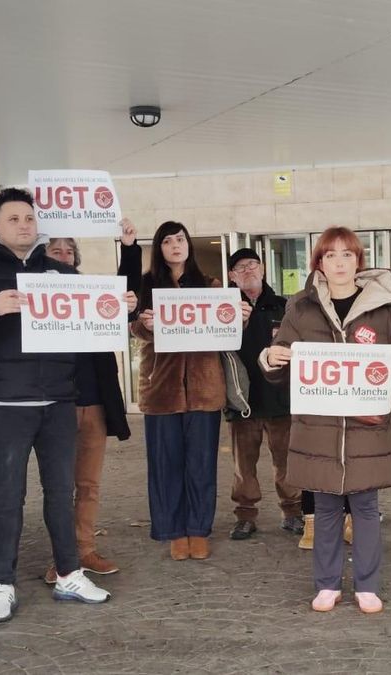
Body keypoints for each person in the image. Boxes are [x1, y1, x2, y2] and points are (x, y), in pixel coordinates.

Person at [0, 187, 115, 624]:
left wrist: (121, 308)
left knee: (60, 493)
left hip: (59, 398)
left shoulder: (60, 274)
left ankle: (69, 573)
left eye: (29, 218)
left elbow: (95, 317)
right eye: (13, 219)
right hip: (4, 398)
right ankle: (2, 584)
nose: (23, 225)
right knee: (8, 495)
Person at [260, 226, 391, 614]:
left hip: (367, 425)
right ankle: (327, 584)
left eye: (347, 254)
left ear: (358, 261)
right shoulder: (300, 308)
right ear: (319, 262)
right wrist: (270, 359)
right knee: (326, 509)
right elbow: (281, 354)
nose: (339, 262)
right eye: (331, 255)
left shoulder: (384, 310)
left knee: (366, 508)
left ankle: (367, 584)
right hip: (318, 426)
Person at [134, 221, 247, 562]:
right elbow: (132, 328)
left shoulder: (210, 286)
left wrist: (238, 319)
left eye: (180, 239)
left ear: (188, 245)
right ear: (159, 248)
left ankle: (198, 529)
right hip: (161, 388)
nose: (175, 245)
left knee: (200, 463)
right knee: (165, 464)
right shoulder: (146, 285)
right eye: (167, 241)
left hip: (203, 388)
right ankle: (172, 531)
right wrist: (144, 325)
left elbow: (225, 333)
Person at [41, 227, 142, 583]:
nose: (64, 254)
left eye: (69, 250)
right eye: (56, 249)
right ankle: (62, 558)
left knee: (88, 484)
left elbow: (125, 292)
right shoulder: (32, 297)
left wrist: (129, 249)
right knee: (58, 486)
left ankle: (84, 549)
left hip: (95, 402)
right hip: (55, 404)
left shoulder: (92, 293)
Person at [224, 247, 303, 541]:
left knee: (286, 462)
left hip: (281, 399)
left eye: (252, 265)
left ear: (263, 269)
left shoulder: (285, 307)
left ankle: (292, 512)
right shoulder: (222, 309)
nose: (247, 270)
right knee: (243, 466)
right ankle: (245, 516)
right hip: (242, 399)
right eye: (240, 267)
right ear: (232, 276)